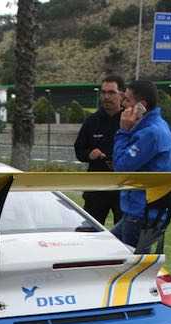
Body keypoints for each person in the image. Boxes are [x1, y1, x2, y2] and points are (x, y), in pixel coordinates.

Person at [110, 80, 171, 248]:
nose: (123, 104)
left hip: (142, 213)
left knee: (132, 260)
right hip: (145, 210)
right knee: (110, 245)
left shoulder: (151, 132)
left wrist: (123, 131)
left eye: (127, 100)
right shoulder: (159, 125)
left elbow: (121, 166)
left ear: (142, 106)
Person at [74, 74, 125, 225]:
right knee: (89, 232)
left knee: (124, 234)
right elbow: (79, 150)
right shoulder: (92, 121)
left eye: (111, 92)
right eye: (103, 92)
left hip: (123, 187)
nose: (106, 97)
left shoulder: (130, 120)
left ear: (122, 94)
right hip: (96, 187)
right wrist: (89, 155)